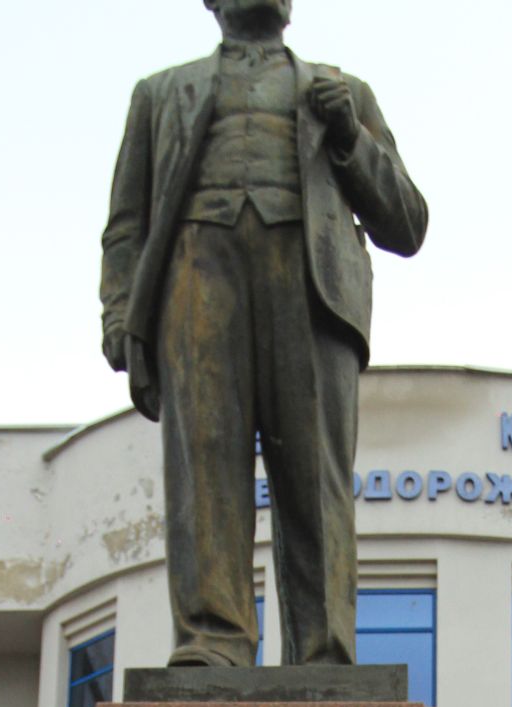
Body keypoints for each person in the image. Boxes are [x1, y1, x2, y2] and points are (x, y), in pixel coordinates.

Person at [100, 0, 428, 669]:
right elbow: (127, 223)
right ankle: (211, 639)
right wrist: (118, 312)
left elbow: (407, 223)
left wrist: (348, 136)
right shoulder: (161, 94)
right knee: (205, 465)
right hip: (198, 273)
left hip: (310, 286)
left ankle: (323, 649)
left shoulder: (341, 92)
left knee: (315, 476)